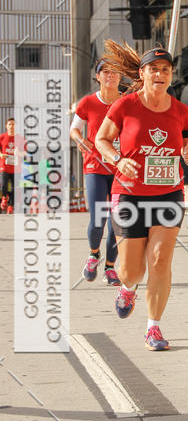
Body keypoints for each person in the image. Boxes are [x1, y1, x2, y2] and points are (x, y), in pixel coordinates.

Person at [95, 42, 188, 351]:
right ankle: (128, 287)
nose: (159, 74)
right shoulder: (125, 106)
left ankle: (153, 327)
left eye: (165, 70)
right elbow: (101, 139)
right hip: (128, 195)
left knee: (160, 259)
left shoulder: (183, 112)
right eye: (153, 69)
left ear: (171, 76)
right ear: (142, 74)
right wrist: (117, 159)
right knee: (132, 269)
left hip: (168, 194)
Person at [70, 60, 122, 284]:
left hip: (120, 168)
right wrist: (81, 140)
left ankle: (110, 268)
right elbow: (74, 129)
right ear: (98, 76)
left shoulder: (126, 101)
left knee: (118, 221)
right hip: (95, 167)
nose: (111, 76)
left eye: (115, 72)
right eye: (106, 72)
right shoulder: (88, 102)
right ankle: (93, 255)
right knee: (99, 218)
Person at [0, 118, 17, 211]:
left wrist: (19, 153)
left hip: (15, 167)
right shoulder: (2, 137)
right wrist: (1, 154)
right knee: (4, 184)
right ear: (6, 126)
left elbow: (25, 152)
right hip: (4, 166)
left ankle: (11, 205)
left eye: (13, 124)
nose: (11, 126)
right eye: (10, 124)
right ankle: (4, 198)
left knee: (15, 186)